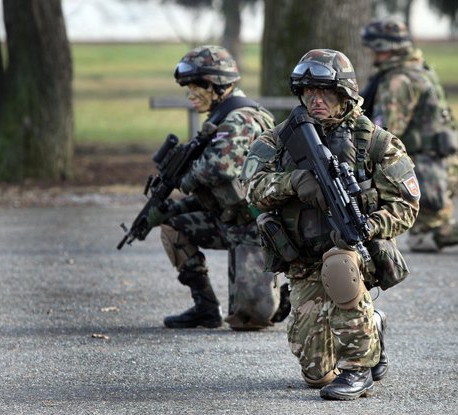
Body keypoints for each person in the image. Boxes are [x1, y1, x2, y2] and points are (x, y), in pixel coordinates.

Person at [241, 49, 419, 400]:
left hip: (352, 252)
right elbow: (249, 188)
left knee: (340, 267)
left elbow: (407, 205)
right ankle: (374, 324)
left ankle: (358, 368)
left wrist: (370, 226)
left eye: (325, 93)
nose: (315, 100)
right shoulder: (277, 141)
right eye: (308, 92)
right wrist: (293, 182)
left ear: (346, 94)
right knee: (317, 374)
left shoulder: (377, 143)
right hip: (302, 258)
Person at [145, 45, 285, 331]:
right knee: (172, 223)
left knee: (250, 320)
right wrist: (172, 207)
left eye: (196, 87)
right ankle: (205, 308)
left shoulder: (241, 119)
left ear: (216, 84)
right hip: (229, 219)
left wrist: (185, 179)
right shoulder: (221, 117)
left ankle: (287, 296)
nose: (191, 95)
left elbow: (221, 166)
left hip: (255, 228)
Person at [360, 16, 458, 255]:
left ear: (384, 49)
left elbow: (383, 136)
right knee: (423, 232)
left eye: (373, 48)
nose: (370, 54)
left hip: (431, 165)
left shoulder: (398, 81)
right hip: (442, 157)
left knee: (423, 238)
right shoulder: (418, 68)